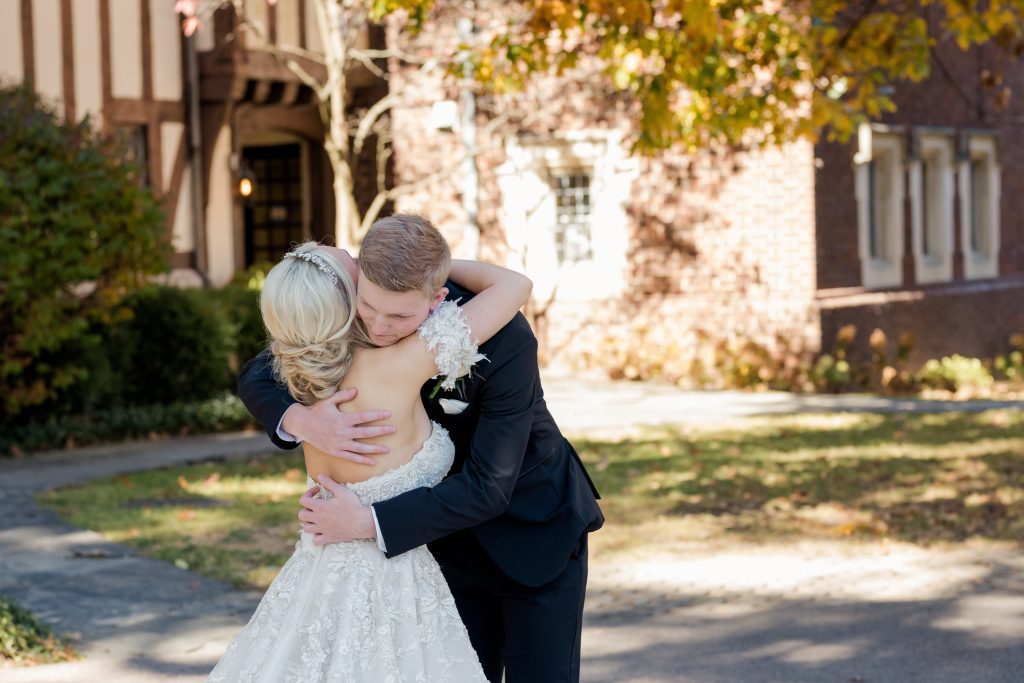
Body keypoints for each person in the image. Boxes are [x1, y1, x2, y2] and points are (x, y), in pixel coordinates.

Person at [238, 214, 604, 683]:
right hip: (434, 550)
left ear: (437, 299)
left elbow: (489, 486)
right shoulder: (355, 315)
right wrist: (301, 418)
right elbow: (258, 370)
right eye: (367, 307)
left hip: (531, 534)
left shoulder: (504, 337)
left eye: (399, 317)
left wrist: (368, 522)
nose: (378, 327)